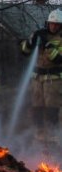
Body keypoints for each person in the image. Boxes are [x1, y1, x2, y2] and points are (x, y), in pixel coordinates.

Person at [21, 9, 62, 144]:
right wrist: (30, 41)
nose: (54, 26)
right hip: (37, 78)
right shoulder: (40, 35)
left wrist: (47, 45)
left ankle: (53, 134)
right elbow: (25, 52)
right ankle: (39, 134)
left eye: (57, 24)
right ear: (47, 23)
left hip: (53, 79)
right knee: (37, 107)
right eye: (52, 24)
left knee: (52, 108)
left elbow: (58, 59)